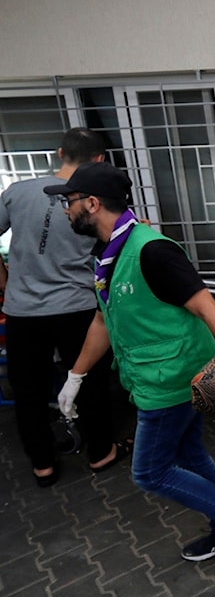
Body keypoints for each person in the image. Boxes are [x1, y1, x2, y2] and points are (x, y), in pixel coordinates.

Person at [49, 162, 215, 581]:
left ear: (93, 203)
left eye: (70, 201)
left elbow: (207, 308)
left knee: (150, 472)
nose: (66, 210)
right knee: (189, 454)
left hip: (173, 378)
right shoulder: (108, 254)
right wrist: (75, 376)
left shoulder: (153, 250)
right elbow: (103, 321)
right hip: (152, 375)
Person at [0, 127, 130, 487]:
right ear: (100, 159)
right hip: (77, 307)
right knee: (88, 380)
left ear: (60, 153)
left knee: (28, 390)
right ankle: (101, 452)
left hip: (23, 310)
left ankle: (43, 464)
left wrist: (4, 280)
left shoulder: (17, 192)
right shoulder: (96, 197)